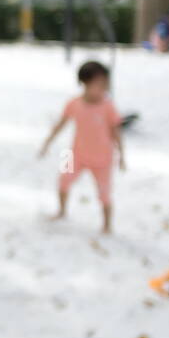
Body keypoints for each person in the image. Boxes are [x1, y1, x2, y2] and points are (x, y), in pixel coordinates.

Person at [39, 60, 125, 234]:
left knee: (104, 194)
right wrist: (47, 142)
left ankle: (107, 225)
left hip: (103, 158)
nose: (104, 88)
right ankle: (61, 211)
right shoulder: (74, 103)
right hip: (73, 153)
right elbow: (60, 125)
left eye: (105, 84)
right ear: (85, 83)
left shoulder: (108, 106)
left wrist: (122, 155)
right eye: (100, 84)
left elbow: (116, 132)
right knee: (63, 180)